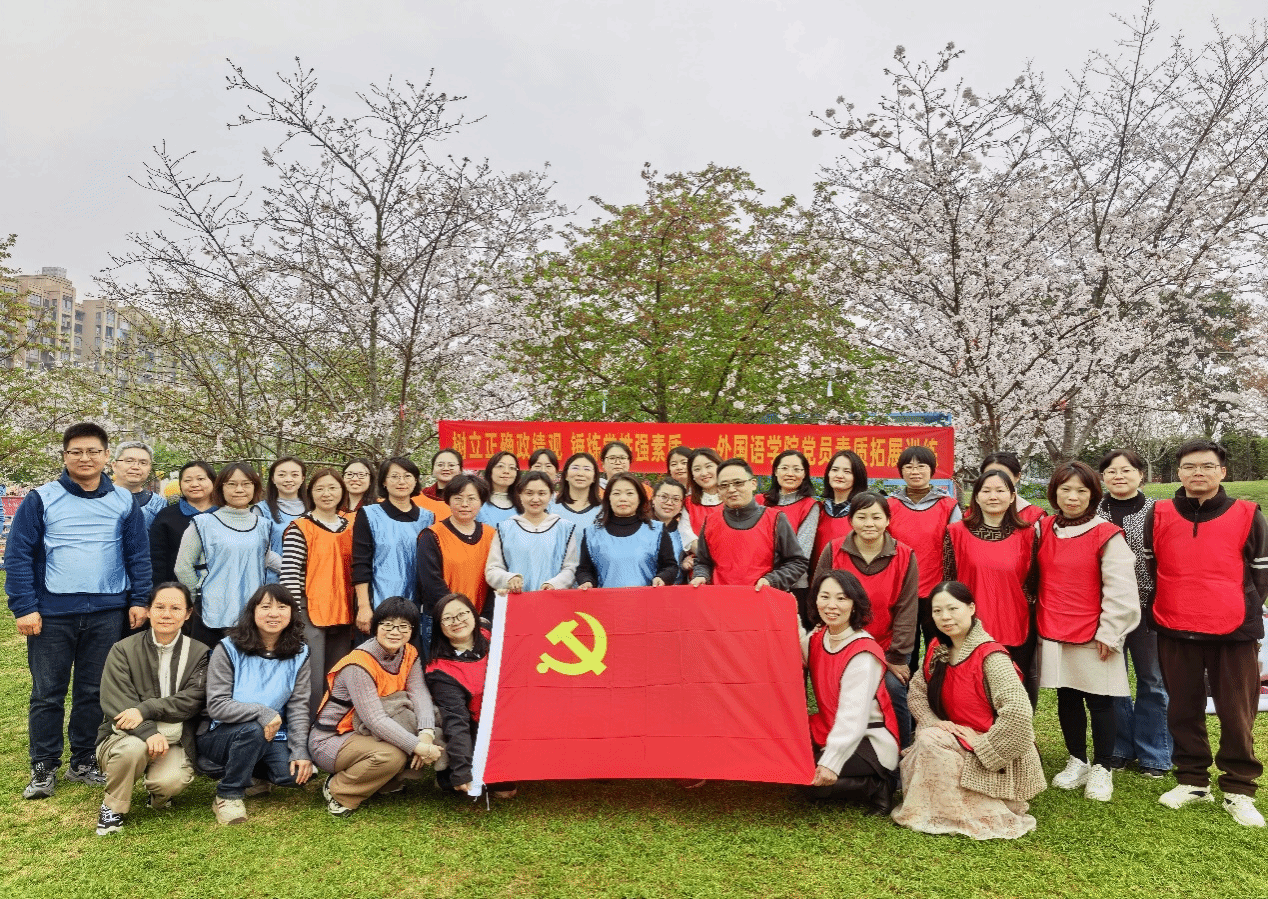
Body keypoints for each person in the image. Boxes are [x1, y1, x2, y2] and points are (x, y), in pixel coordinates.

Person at [5, 422, 152, 799]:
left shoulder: (123, 500)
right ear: (65, 455)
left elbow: (138, 555)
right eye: (76, 452)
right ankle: (44, 765)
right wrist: (24, 607)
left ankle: (83, 760)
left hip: (107, 612)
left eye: (93, 451)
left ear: (106, 456)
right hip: (52, 613)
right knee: (47, 692)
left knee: (93, 690)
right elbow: (18, 555)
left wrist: (140, 599)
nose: (85, 458)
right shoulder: (41, 498)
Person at [1148, 438, 1268, 827]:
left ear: (1222, 471)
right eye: (1189, 466)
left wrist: (1239, 608)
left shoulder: (1248, 514)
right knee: (1182, 707)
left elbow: (1261, 574)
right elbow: (1152, 566)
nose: (1197, 472)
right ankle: (1192, 780)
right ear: (1178, 472)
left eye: (1206, 466)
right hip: (1174, 624)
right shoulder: (1160, 513)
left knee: (1237, 712)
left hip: (1233, 630)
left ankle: (1239, 788)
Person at [892, 581, 1046, 839]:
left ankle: (984, 806)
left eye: (953, 608)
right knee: (928, 737)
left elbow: (1019, 713)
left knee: (928, 741)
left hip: (991, 749)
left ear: (971, 608)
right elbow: (918, 691)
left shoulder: (991, 656)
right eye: (937, 611)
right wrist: (933, 721)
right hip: (954, 736)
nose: (945, 617)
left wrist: (983, 744)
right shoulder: (938, 648)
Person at [1035, 460, 1139, 803]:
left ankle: (1103, 766)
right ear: (1054, 493)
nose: (1073, 497)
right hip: (1054, 626)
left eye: (1081, 491)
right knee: (1067, 695)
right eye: (1065, 489)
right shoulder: (1044, 529)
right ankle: (1077, 759)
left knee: (1100, 700)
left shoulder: (1106, 534)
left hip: (1094, 632)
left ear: (1094, 495)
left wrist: (1110, 632)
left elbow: (1121, 589)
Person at [93, 583, 209, 835]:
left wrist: (145, 709)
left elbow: (194, 698)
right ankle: (112, 807)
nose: (167, 614)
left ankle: (158, 795)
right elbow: (117, 700)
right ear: (148, 611)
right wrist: (148, 731)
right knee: (133, 749)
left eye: (175, 608)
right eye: (160, 607)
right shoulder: (123, 649)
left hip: (173, 739)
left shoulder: (200, 653)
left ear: (188, 613)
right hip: (124, 737)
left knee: (170, 782)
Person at [309, 596, 440, 817]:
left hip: (365, 733)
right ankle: (339, 789)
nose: (395, 632)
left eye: (403, 626)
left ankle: (382, 782)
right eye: (387, 625)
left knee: (418, 725)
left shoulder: (409, 653)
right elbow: (375, 720)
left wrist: (426, 734)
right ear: (375, 626)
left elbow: (420, 694)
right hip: (331, 740)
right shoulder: (358, 664)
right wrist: (419, 747)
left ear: (412, 630)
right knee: (393, 754)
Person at [195, 584, 313, 825]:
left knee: (295, 776)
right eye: (266, 606)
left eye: (282, 607)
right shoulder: (227, 648)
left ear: (292, 613)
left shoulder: (300, 653)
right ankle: (228, 795)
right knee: (254, 729)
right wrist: (262, 712)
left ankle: (253, 774)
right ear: (253, 611)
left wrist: (300, 750)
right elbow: (217, 705)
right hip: (222, 733)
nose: (274, 613)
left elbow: (299, 707)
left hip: (273, 733)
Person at [812, 492, 919, 746]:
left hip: (886, 646)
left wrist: (896, 656)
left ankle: (902, 750)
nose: (869, 523)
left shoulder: (904, 555)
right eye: (861, 517)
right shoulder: (834, 550)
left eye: (876, 517)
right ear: (851, 520)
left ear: (888, 520)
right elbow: (819, 593)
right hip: (842, 643)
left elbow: (907, 609)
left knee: (893, 688)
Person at [1095, 448, 1171, 779]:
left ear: (1141, 475)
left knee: (1152, 680)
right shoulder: (1092, 513)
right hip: (1106, 610)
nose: (1119, 476)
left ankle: (1155, 754)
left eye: (1126, 470)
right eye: (1111, 471)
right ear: (1103, 477)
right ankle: (1119, 748)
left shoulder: (1159, 511)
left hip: (1148, 607)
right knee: (1113, 680)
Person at [801, 569, 900, 813]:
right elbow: (792, 649)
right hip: (828, 727)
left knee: (806, 781)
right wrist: (783, 612)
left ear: (855, 605)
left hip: (868, 739)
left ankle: (878, 785)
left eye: (842, 598)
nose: (831, 605)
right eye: (824, 596)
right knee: (789, 763)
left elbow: (852, 719)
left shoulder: (862, 653)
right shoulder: (819, 637)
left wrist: (831, 763)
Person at [944, 469, 1039, 705]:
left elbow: (1033, 583)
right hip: (969, 627)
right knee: (972, 695)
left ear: (1012, 496)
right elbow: (948, 580)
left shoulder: (1028, 534)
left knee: (1013, 694)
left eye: (1000, 490)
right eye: (986, 491)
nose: (993, 496)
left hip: (1015, 624)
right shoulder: (956, 533)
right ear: (976, 496)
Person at [174, 463, 281, 647]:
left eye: (246, 484)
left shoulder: (264, 525)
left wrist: (300, 569)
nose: (239, 489)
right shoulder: (203, 523)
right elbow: (182, 567)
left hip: (251, 613)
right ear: (220, 488)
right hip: (211, 613)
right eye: (231, 484)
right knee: (208, 663)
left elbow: (263, 557)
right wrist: (198, 595)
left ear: (255, 487)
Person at [425, 593, 516, 798]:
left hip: (508, 719)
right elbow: (456, 722)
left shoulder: (491, 636)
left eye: (462, 614)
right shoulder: (440, 670)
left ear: (474, 615)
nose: (457, 621)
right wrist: (461, 771)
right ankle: (449, 773)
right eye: (448, 618)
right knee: (504, 790)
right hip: (476, 728)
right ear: (439, 626)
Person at [280, 468, 355, 714]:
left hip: (344, 611)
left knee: (339, 677)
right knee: (311, 680)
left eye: (332, 488)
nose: (326, 493)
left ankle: (332, 726)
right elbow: (290, 575)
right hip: (309, 611)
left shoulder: (351, 527)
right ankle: (308, 727)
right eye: (319, 488)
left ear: (342, 491)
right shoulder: (300, 527)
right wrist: (294, 617)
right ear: (310, 493)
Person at [887, 446, 962, 674]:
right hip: (901, 592)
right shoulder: (889, 505)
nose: (915, 471)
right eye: (909, 467)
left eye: (921, 466)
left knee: (938, 650)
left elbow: (957, 549)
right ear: (901, 471)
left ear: (932, 470)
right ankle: (904, 695)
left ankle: (937, 692)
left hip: (936, 592)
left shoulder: (948, 506)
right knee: (903, 652)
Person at [690, 458, 807, 592]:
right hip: (720, 598)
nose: (731, 489)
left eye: (738, 483)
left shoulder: (776, 519)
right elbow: (703, 562)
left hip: (761, 597)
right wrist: (701, 575)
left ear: (753, 484)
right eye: (724, 485)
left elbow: (797, 562)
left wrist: (772, 580)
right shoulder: (711, 521)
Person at [351, 457, 435, 635]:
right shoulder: (369, 514)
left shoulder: (428, 518)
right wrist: (364, 606)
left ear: (415, 480)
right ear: (384, 481)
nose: (401, 481)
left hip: (416, 607)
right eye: (394, 476)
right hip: (377, 603)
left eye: (407, 476)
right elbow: (360, 563)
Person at [416, 474, 495, 631]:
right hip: (443, 620)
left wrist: (485, 617)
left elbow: (495, 578)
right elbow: (431, 583)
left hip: (481, 620)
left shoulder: (491, 535)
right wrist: (459, 615)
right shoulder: (432, 535)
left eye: (471, 499)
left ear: (481, 501)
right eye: (458, 498)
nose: (464, 504)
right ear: (448, 500)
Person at [576, 473, 678, 589]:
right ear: (608, 498)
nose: (623, 499)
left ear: (639, 498)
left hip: (646, 598)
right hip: (606, 598)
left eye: (630, 493)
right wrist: (586, 581)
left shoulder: (656, 530)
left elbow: (670, 566)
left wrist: (662, 578)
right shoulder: (592, 533)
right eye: (616, 493)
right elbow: (584, 569)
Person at [485, 472, 579, 595]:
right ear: (520, 494)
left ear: (551, 495)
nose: (535, 499)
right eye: (529, 493)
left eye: (542, 493)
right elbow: (493, 569)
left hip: (553, 599)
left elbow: (571, 568)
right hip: (516, 599)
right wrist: (509, 579)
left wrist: (554, 584)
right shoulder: (505, 528)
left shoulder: (565, 528)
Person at [758, 450, 821, 599]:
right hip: (757, 581)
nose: (790, 474)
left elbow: (802, 553)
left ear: (804, 474)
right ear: (775, 471)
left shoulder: (810, 506)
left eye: (797, 469)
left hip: (792, 585)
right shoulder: (759, 501)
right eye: (784, 468)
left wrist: (774, 579)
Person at [149, 461, 217, 586]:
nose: (194, 484)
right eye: (187, 480)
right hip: (178, 590)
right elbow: (157, 560)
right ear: (180, 485)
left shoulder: (225, 514)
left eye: (201, 479)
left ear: (213, 481)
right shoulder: (166, 516)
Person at [253, 457, 308, 580]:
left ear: (303, 478)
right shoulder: (261, 510)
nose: (288, 479)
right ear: (273, 479)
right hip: (274, 583)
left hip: (312, 582)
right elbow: (260, 548)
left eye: (294, 475)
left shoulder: (315, 508)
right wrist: (292, 572)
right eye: (282, 475)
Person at [814, 450, 868, 562]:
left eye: (847, 471)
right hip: (817, 571)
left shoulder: (865, 511)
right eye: (834, 470)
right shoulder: (817, 509)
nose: (839, 475)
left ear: (857, 476)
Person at [650, 478, 697, 583]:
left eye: (676, 499)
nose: (669, 503)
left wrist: (685, 564)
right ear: (653, 499)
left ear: (681, 505)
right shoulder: (640, 527)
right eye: (664, 497)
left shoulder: (684, 532)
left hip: (675, 590)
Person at [113, 440, 167, 529]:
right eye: (129, 461)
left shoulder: (159, 504)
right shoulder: (97, 498)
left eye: (143, 463)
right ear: (114, 465)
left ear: (149, 469)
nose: (135, 467)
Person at [981, 451, 1045, 524]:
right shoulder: (971, 514)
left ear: (1017, 477)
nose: (996, 479)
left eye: (1003, 475)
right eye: (989, 475)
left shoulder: (1035, 516)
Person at [551, 452, 603, 529]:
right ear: (566, 475)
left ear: (594, 477)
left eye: (587, 469)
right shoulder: (551, 506)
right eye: (575, 468)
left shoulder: (603, 510)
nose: (580, 473)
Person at [685, 447, 724, 535]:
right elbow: (686, 534)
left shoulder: (734, 498)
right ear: (692, 475)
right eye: (697, 469)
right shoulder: (688, 503)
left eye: (708, 466)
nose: (704, 473)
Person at [415, 448, 459, 521]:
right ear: (433, 469)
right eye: (440, 465)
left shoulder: (470, 496)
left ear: (460, 469)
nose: (445, 468)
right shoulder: (421, 495)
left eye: (451, 465)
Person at [476, 451, 520, 526]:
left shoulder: (523, 503)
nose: (506, 471)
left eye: (512, 468)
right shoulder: (478, 501)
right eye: (500, 466)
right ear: (490, 471)